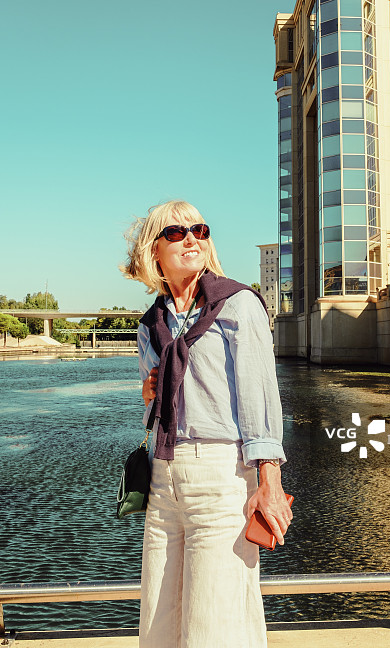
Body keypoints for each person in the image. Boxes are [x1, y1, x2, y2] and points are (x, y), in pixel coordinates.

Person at [121, 199, 292, 648]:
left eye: (199, 229)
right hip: (164, 478)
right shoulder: (150, 324)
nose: (191, 238)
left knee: (217, 623)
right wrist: (149, 396)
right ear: (153, 250)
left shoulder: (237, 304)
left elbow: (259, 398)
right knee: (160, 622)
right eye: (175, 233)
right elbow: (158, 405)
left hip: (221, 475)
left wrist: (268, 481)